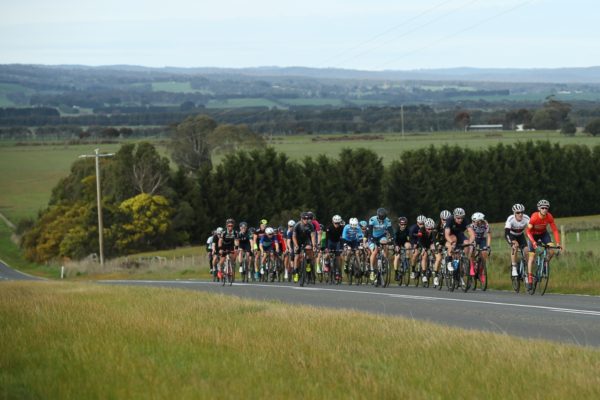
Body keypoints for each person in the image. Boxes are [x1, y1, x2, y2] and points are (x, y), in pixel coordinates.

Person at [526, 199, 561, 286]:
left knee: (552, 250)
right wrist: (533, 242)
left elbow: (555, 230)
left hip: (543, 234)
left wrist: (558, 243)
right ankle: (530, 277)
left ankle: (545, 263)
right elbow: (528, 232)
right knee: (532, 257)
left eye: (546, 208)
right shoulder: (534, 217)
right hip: (533, 235)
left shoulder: (549, 216)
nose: (545, 209)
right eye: (543, 208)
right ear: (539, 208)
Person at [368, 208, 394, 281]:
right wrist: (372, 239)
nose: (382, 220)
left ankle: (384, 261)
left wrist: (392, 239)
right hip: (372, 237)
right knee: (375, 251)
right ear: (377, 216)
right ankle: (372, 270)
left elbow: (391, 231)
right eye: (380, 219)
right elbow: (369, 231)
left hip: (381, 236)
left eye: (383, 219)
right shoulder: (372, 220)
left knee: (385, 244)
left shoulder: (387, 220)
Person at [504, 203, 530, 277]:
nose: (520, 214)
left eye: (522, 212)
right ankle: (514, 268)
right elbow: (506, 234)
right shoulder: (510, 219)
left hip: (520, 235)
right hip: (511, 235)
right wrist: (511, 243)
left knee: (527, 250)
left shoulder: (526, 218)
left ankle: (528, 271)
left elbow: (532, 230)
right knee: (515, 246)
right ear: (514, 213)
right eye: (518, 213)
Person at [292, 212, 316, 283]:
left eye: (307, 218)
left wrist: (314, 245)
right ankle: (296, 273)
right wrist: (296, 245)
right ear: (301, 219)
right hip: (298, 240)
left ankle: (308, 262)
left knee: (309, 249)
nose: (306, 220)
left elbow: (312, 236)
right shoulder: (297, 225)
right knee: (297, 256)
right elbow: (293, 237)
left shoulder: (310, 225)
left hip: (306, 240)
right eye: (304, 218)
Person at [432, 210, 451, 286]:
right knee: (439, 258)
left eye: (447, 220)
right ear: (441, 219)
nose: (445, 221)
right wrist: (437, 244)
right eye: (444, 219)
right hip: (438, 242)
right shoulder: (437, 225)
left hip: (446, 241)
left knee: (451, 248)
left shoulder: (450, 224)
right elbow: (434, 237)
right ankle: (436, 276)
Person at [416, 218, 437, 284]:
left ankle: (433, 263)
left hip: (430, 243)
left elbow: (434, 239)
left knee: (434, 251)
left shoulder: (434, 230)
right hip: (423, 243)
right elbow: (419, 240)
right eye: (428, 229)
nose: (430, 230)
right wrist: (423, 247)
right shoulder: (421, 230)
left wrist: (435, 246)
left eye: (431, 229)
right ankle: (424, 274)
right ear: (425, 227)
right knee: (424, 255)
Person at [324, 215, 344, 281]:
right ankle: (326, 263)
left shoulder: (342, 228)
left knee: (338, 257)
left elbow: (342, 239)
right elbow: (327, 238)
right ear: (333, 222)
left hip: (337, 242)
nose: (337, 225)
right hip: (330, 242)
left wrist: (342, 247)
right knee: (327, 254)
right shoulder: (329, 228)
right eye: (335, 223)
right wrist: (326, 247)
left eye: (338, 223)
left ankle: (337, 272)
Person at [393, 216, 410, 281]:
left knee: (408, 246)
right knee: (397, 257)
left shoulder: (408, 230)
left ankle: (407, 260)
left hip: (405, 242)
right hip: (397, 243)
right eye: (402, 224)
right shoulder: (396, 230)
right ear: (399, 224)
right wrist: (396, 246)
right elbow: (394, 240)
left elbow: (410, 239)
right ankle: (396, 273)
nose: (403, 226)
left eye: (404, 224)